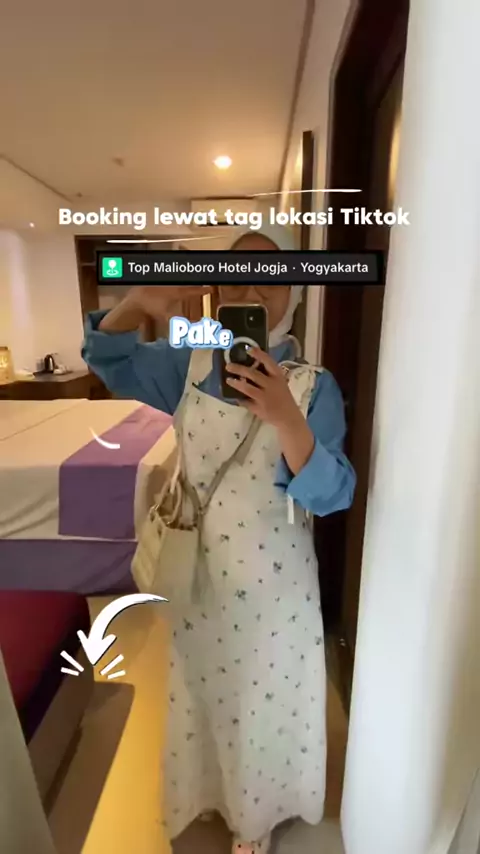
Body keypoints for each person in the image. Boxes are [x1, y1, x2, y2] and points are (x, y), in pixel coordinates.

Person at [82, 225, 356, 854]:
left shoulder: (314, 384)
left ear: (295, 290)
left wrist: (285, 416)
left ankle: (253, 822)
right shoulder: (189, 361)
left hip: (275, 590)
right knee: (205, 691)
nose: (253, 289)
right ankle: (207, 793)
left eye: (271, 277)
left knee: (263, 701)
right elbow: (109, 360)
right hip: (198, 578)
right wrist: (136, 303)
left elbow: (332, 494)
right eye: (237, 275)